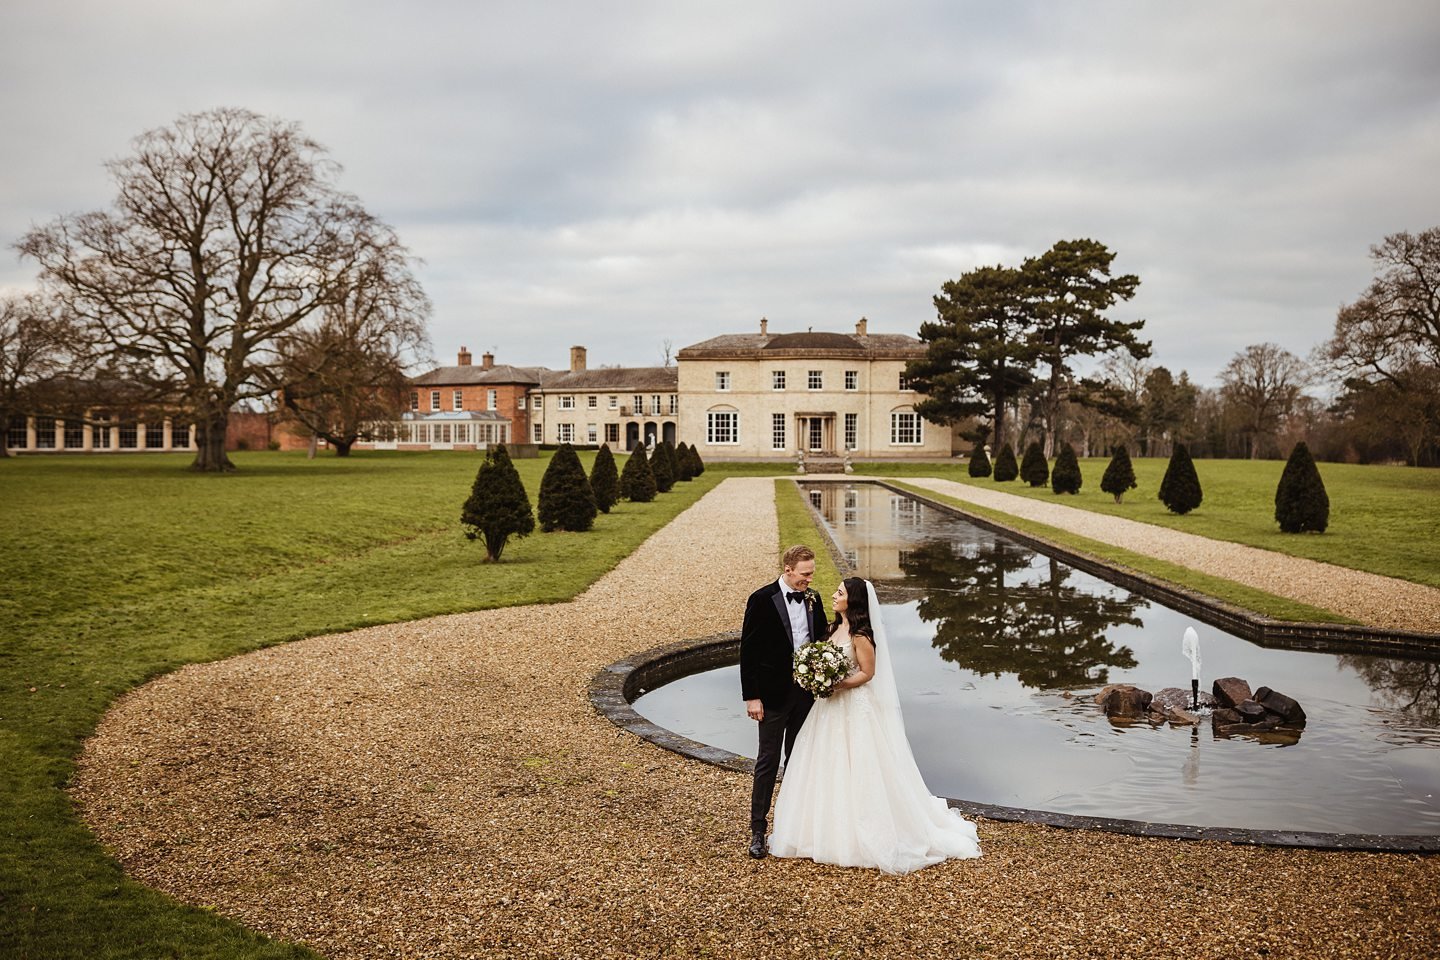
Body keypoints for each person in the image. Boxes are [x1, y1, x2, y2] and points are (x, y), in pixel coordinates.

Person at [769, 577, 982, 874]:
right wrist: (817, 678)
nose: (833, 595)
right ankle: (817, 832)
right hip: (828, 708)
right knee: (825, 765)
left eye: (840, 593)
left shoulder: (861, 636)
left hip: (853, 706)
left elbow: (868, 673)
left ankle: (862, 835)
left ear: (853, 600)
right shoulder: (833, 628)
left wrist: (839, 683)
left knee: (860, 765)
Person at [740, 544, 830, 859]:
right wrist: (752, 696)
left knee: (799, 760)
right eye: (805, 574)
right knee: (767, 761)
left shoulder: (813, 598)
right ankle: (758, 830)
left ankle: (792, 827)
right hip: (772, 695)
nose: (809, 579)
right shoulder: (761, 599)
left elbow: (820, 640)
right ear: (788, 570)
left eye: (811, 574)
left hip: (805, 695)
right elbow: (748, 652)